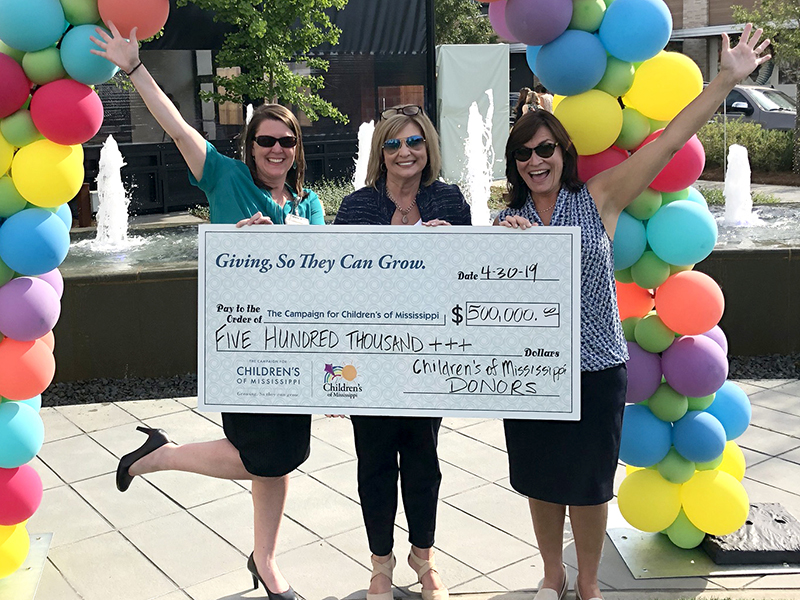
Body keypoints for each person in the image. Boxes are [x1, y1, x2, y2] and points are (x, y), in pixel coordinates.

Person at [494, 26, 769, 600]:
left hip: (595, 369)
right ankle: (552, 577)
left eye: (546, 149)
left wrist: (726, 77)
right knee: (541, 483)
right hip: (530, 375)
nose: (535, 160)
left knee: (590, 487)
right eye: (524, 152)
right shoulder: (504, 223)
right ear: (514, 162)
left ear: (563, 154)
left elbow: (667, 144)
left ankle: (588, 585)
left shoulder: (599, 198)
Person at [91, 23, 325, 600]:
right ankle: (161, 456)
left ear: (297, 149)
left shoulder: (312, 202)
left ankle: (265, 562)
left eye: (285, 142)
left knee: (284, 458)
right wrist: (134, 67)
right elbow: (174, 124)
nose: (276, 149)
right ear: (250, 147)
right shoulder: (224, 175)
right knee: (258, 456)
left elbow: (324, 278)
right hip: (241, 345)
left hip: (294, 350)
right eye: (266, 140)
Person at [334, 104, 471, 600]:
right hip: (368, 360)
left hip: (428, 357)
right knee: (373, 465)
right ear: (380, 152)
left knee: (423, 463)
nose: (404, 152)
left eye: (413, 141)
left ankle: (424, 556)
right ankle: (380, 563)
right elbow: (335, 288)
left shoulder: (451, 203)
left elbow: (467, 282)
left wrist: (455, 246)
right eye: (392, 144)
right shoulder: (355, 208)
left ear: (427, 147)